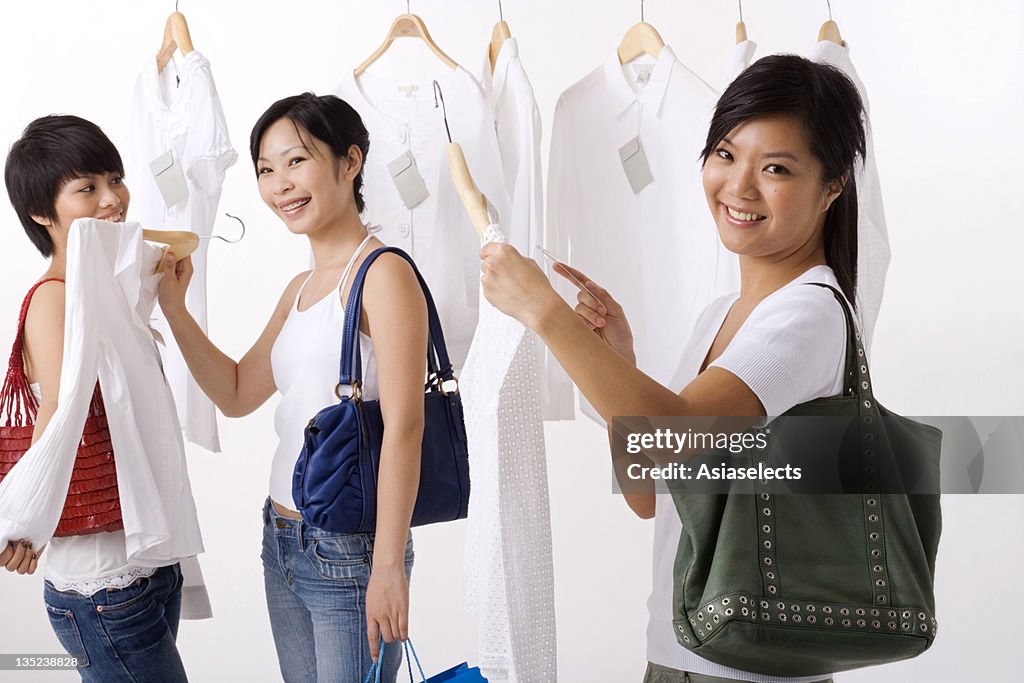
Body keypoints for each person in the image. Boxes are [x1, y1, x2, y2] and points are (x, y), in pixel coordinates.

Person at [479, 54, 866, 683]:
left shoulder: (810, 315)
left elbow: (679, 435)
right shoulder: (720, 315)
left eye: (775, 168)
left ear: (833, 186)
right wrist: (617, 361)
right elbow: (650, 495)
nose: (739, 187)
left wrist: (543, 311)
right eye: (724, 154)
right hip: (677, 650)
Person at [157, 92, 427, 683]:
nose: (281, 184)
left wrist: (388, 566)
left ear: (350, 161)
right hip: (282, 539)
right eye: (265, 169)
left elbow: (407, 426)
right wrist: (175, 311)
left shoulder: (384, 274)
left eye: (297, 161)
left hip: (350, 550)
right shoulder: (301, 287)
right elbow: (233, 393)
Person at [2, 115, 190, 681]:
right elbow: (58, 415)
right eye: (87, 188)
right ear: (42, 213)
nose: (113, 200)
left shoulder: (110, 288)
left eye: (115, 178)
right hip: (101, 580)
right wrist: (24, 523)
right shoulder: (56, 300)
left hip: (147, 565)